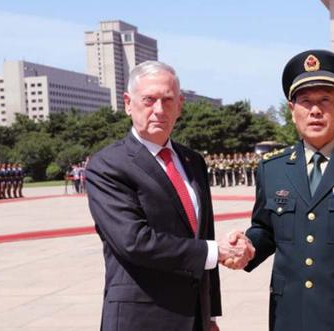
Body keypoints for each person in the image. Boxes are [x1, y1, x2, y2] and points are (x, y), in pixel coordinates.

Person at [229, 50, 334, 331]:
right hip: (290, 317)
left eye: (325, 101)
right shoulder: (271, 169)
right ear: (291, 108)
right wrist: (247, 246)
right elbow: (265, 229)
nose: (315, 110)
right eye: (306, 102)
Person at [85, 60, 253, 331]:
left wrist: (210, 314)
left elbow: (203, 234)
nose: (159, 110)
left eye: (167, 100)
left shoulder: (192, 161)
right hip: (141, 319)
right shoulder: (108, 165)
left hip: (194, 318)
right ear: (128, 103)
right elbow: (134, 242)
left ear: (180, 105)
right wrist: (216, 250)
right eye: (149, 100)